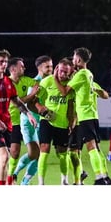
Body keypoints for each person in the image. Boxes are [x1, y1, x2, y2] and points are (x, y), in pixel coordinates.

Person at [0, 49, 37, 185]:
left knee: (0, 160)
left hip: (7, 125)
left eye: (5, 61)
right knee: (4, 156)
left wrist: (28, 114)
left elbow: (17, 102)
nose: (4, 64)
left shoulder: (8, 82)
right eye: (1, 61)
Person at [59, 47, 111, 185]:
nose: (73, 59)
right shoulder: (88, 74)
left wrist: (55, 77)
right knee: (95, 148)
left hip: (84, 116)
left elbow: (64, 91)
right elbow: (104, 94)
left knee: (91, 147)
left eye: (74, 57)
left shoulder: (81, 74)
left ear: (78, 59)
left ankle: (99, 178)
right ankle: (105, 176)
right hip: (91, 115)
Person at [33, 57, 75, 185]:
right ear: (57, 69)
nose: (63, 74)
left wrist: (71, 121)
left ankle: (64, 180)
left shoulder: (71, 85)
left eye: (66, 72)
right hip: (47, 120)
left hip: (62, 123)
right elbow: (34, 100)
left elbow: (70, 106)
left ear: (70, 72)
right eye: (61, 71)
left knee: (63, 153)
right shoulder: (46, 82)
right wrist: (41, 108)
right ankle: (41, 182)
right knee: (44, 149)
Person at [12, 54, 53, 185]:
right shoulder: (34, 82)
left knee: (40, 154)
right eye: (47, 66)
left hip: (43, 122)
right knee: (33, 153)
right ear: (40, 68)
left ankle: (25, 181)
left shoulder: (52, 82)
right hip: (28, 121)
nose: (50, 69)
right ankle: (15, 173)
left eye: (51, 66)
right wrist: (34, 96)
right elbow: (24, 103)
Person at [7, 57, 40, 185]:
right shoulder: (7, 82)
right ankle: (0, 177)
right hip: (6, 121)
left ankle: (10, 177)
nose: (24, 68)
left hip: (19, 121)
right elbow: (17, 102)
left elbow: (38, 84)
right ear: (13, 69)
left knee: (15, 152)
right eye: (22, 66)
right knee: (1, 153)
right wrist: (32, 95)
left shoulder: (25, 80)